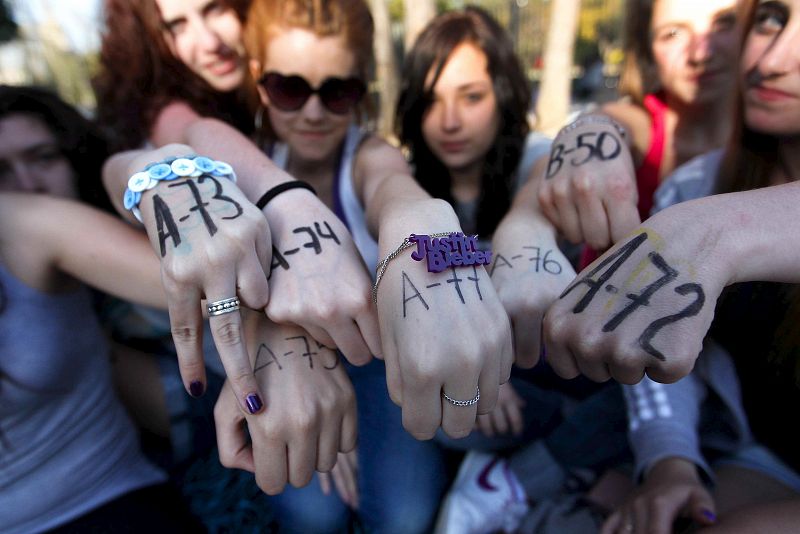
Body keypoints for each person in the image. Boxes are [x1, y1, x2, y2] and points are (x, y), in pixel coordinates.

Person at [208, 1, 515, 530]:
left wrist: (429, 239)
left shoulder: (368, 154)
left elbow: (395, 189)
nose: (312, 112)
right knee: (312, 511)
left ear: (362, 87)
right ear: (259, 81)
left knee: (405, 516)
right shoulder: (240, 164)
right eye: (289, 88)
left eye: (336, 91)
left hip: (380, 358)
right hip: (285, 356)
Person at [544, 0, 800, 529]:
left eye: (721, 25)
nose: (773, 59)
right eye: (774, 18)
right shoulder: (693, 182)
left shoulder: (698, 210)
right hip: (753, 446)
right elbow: (606, 122)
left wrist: (717, 229)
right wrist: (668, 460)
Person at [393, 9, 632, 534]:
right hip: (476, 385)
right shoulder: (407, 186)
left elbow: (550, 174)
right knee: (438, 416)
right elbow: (413, 283)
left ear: (503, 93)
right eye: (433, 100)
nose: (450, 120)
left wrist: (521, 229)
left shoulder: (535, 158)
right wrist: (481, 372)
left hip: (563, 366)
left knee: (655, 376)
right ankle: (573, 455)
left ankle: (518, 474)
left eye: (471, 96)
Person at [0, 84, 204, 533]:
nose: (29, 184)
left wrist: (287, 365)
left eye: (43, 157)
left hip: (119, 496)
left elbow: (218, 287)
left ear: (73, 154)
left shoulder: (53, 229)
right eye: (3, 172)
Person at [537, 0, 739, 261]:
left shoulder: (783, 139)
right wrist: (585, 135)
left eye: (723, 23)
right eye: (673, 34)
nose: (700, 53)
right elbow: (607, 121)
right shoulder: (641, 125)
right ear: (647, 49)